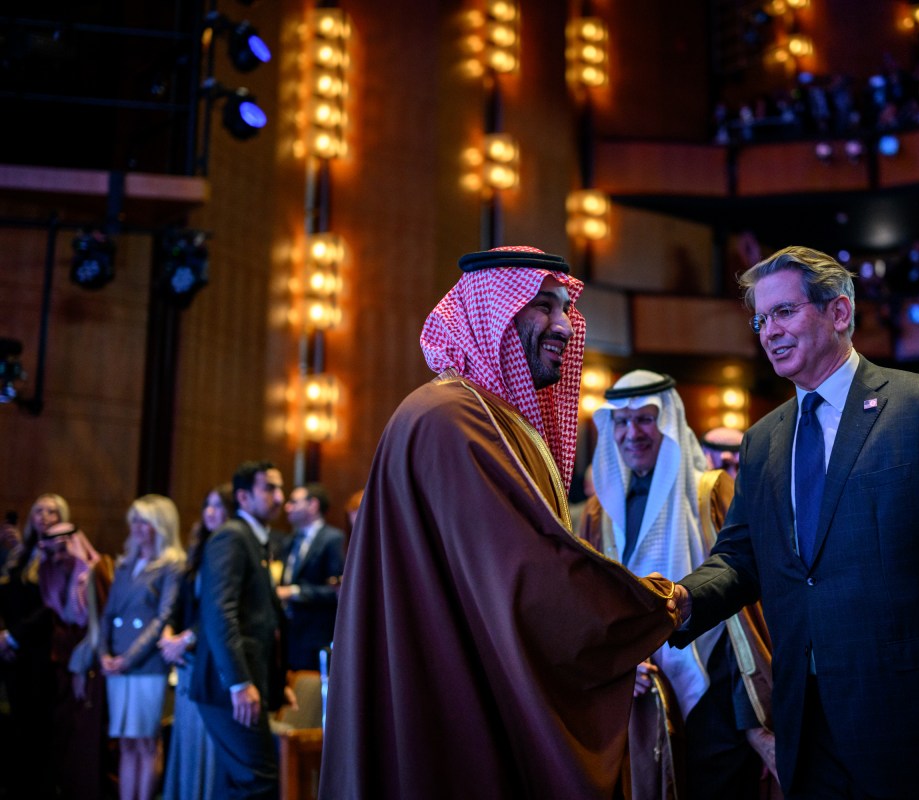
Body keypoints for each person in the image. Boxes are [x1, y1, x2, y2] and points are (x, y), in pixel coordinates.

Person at [320, 246, 681, 800]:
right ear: (493, 313)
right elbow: (529, 578)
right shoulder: (452, 419)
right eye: (543, 306)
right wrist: (653, 607)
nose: (564, 326)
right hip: (453, 689)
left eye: (566, 308)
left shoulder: (483, 416)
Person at [669, 246, 919, 800]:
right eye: (761, 319)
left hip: (912, 723)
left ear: (838, 312)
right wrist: (680, 600)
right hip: (805, 726)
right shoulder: (762, 440)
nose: (769, 331)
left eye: (784, 312)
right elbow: (739, 558)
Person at [581, 370, 774, 798]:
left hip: (718, 701)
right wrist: (620, 665)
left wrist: (753, 722)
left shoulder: (711, 492)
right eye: (622, 421)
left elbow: (744, 607)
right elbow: (591, 607)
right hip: (640, 700)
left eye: (645, 419)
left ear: (668, 422)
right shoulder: (598, 512)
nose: (633, 433)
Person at [0, 494, 114, 800]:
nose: (45, 516)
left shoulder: (83, 566)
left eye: (52, 511)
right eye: (39, 510)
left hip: (66, 657)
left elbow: (76, 616)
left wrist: (13, 636)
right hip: (34, 656)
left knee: (63, 732)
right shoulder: (29, 557)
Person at [191, 461, 288, 800]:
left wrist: (276, 681)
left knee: (238, 781)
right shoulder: (232, 536)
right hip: (228, 686)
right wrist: (239, 682)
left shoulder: (255, 539)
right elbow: (220, 612)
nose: (280, 497)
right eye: (270, 488)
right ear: (244, 497)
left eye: (280, 488)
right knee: (259, 779)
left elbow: (261, 619)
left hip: (240, 682)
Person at [100, 494, 186, 800]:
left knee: (147, 742)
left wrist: (129, 658)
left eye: (144, 521)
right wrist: (104, 654)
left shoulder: (172, 565)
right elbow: (108, 613)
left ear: (161, 525)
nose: (136, 527)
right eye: (134, 520)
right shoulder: (125, 564)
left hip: (146, 664)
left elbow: (163, 617)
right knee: (125, 742)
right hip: (116, 664)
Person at [158, 484, 233, 800]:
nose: (210, 512)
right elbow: (181, 602)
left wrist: (187, 638)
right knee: (186, 738)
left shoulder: (232, 550)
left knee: (207, 741)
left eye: (218, 505)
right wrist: (168, 634)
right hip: (186, 658)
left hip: (211, 659)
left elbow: (221, 611)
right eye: (207, 505)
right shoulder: (199, 548)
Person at [277, 482, 344, 671]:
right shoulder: (290, 540)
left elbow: (336, 591)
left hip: (316, 633)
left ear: (313, 505)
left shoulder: (333, 538)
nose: (287, 507)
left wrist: (294, 592)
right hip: (289, 634)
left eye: (294, 502)